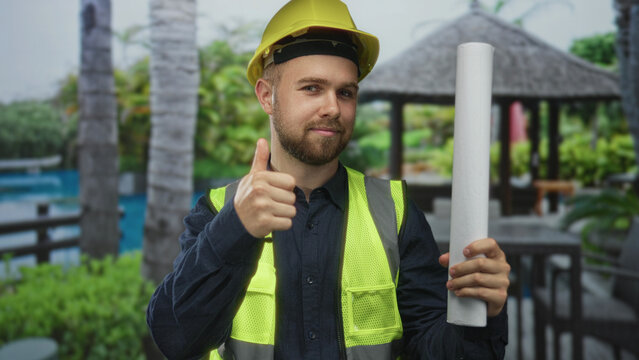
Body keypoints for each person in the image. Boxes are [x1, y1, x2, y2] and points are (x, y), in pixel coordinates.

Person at [146, 0, 510, 359]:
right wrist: (235, 229)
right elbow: (176, 339)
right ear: (266, 96)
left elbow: (434, 349)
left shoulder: (395, 212)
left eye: (345, 92)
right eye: (312, 88)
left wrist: (483, 315)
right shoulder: (217, 212)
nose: (332, 108)